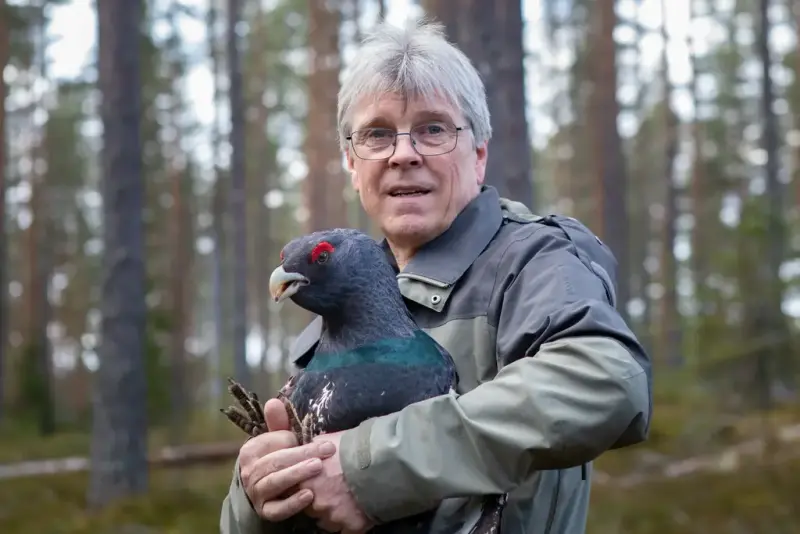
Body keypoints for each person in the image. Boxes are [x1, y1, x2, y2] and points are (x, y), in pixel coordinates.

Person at [220, 18, 652, 534]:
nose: (404, 153)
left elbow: (606, 381)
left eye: (433, 129)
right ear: (353, 165)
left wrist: (371, 467)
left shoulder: (534, 260)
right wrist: (256, 494)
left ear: (479, 154)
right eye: (378, 134)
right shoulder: (326, 318)